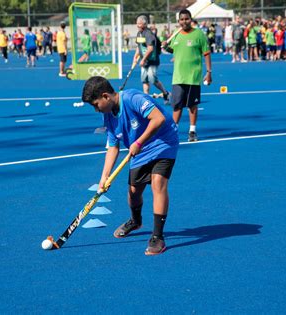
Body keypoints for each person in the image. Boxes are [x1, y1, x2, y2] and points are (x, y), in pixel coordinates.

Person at [81, 76, 179, 256]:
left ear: (105, 96)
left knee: (158, 183)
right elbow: (113, 146)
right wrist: (104, 177)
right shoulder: (108, 116)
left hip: (163, 142)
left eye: (95, 104)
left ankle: (157, 237)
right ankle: (136, 221)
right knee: (134, 192)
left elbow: (158, 119)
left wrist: (139, 142)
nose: (96, 109)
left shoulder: (132, 98)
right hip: (140, 150)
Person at [162, 9, 211, 142]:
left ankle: (192, 131)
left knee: (192, 106)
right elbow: (173, 50)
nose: (184, 21)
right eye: (182, 19)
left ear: (191, 19)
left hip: (193, 77)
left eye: (187, 19)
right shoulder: (176, 35)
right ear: (178, 21)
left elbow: (206, 53)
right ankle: (173, 131)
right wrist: (165, 47)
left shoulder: (199, 34)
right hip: (178, 77)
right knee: (177, 106)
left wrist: (209, 72)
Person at [134, 15, 170, 103]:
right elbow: (139, 46)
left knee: (153, 79)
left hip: (152, 61)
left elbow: (150, 48)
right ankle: (146, 98)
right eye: (137, 23)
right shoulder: (139, 33)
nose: (138, 25)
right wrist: (135, 57)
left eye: (139, 24)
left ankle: (165, 93)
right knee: (144, 80)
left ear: (145, 24)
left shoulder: (148, 34)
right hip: (145, 61)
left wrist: (143, 60)